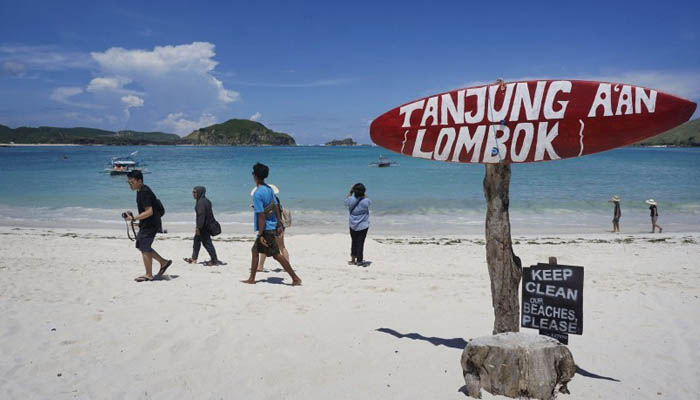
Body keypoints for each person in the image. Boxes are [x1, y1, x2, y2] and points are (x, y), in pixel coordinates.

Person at [241, 163, 301, 286]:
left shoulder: (258, 193)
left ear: (255, 175)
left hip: (266, 228)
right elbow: (276, 206)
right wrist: (279, 224)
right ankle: (252, 278)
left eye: (253, 173)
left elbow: (261, 215)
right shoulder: (269, 189)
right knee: (255, 251)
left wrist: (260, 233)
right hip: (273, 225)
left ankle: (295, 278)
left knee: (276, 255)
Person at [125, 170, 172, 282]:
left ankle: (149, 274)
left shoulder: (144, 192)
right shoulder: (140, 190)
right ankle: (163, 262)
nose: (130, 185)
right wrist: (136, 218)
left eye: (132, 182)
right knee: (141, 245)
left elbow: (149, 211)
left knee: (144, 247)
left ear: (139, 181)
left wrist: (134, 218)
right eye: (129, 183)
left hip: (151, 224)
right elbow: (146, 211)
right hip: (148, 223)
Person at [184, 186, 221, 265]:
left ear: (199, 192)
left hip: (203, 227)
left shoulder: (200, 203)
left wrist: (198, 228)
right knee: (197, 241)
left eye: (195, 192)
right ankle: (194, 258)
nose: (193, 194)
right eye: (193, 192)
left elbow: (201, 215)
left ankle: (214, 260)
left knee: (207, 243)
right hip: (207, 225)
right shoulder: (206, 201)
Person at [256, 186, 289, 272]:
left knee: (264, 246)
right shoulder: (277, 200)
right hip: (280, 225)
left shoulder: (267, 202)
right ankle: (287, 265)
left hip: (271, 226)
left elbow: (265, 215)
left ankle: (260, 266)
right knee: (282, 246)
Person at [345, 183, 371, 266]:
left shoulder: (350, 200)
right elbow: (368, 200)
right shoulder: (366, 201)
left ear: (354, 191)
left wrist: (350, 191)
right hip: (363, 225)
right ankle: (359, 260)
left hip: (353, 224)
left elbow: (346, 201)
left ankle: (353, 259)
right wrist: (363, 193)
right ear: (363, 192)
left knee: (354, 241)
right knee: (360, 243)